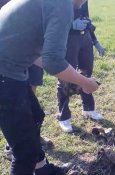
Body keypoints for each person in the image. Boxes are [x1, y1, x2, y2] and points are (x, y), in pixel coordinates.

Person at [0, 0, 99, 174]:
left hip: (10, 71)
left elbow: (34, 52)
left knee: (35, 114)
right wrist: (85, 82)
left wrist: (68, 73)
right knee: (24, 153)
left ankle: (42, 169)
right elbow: (53, 62)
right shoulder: (61, 4)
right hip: (5, 77)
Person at [56, 1, 105, 133]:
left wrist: (95, 41)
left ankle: (88, 108)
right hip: (67, 40)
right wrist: (71, 25)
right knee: (66, 78)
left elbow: (86, 17)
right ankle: (63, 116)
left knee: (86, 74)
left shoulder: (84, 1)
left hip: (85, 39)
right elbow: (52, 21)